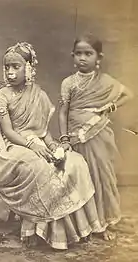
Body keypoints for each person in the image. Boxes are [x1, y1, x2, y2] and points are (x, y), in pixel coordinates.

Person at [0, 42, 105, 250]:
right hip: (10, 149)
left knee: (75, 161)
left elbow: (43, 131)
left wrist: (53, 145)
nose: (10, 72)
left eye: (16, 66)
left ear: (29, 68)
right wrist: (33, 145)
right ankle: (34, 230)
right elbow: (9, 132)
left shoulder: (38, 94)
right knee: (41, 168)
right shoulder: (2, 95)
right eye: (7, 67)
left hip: (36, 144)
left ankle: (79, 228)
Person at [58, 33, 133, 241]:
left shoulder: (105, 81)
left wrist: (112, 106)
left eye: (88, 54)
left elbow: (128, 94)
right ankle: (81, 224)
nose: (83, 58)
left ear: (98, 58)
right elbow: (63, 112)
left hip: (98, 134)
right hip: (74, 135)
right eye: (79, 53)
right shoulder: (68, 83)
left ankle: (101, 222)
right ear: (73, 56)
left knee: (100, 176)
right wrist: (64, 138)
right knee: (80, 176)